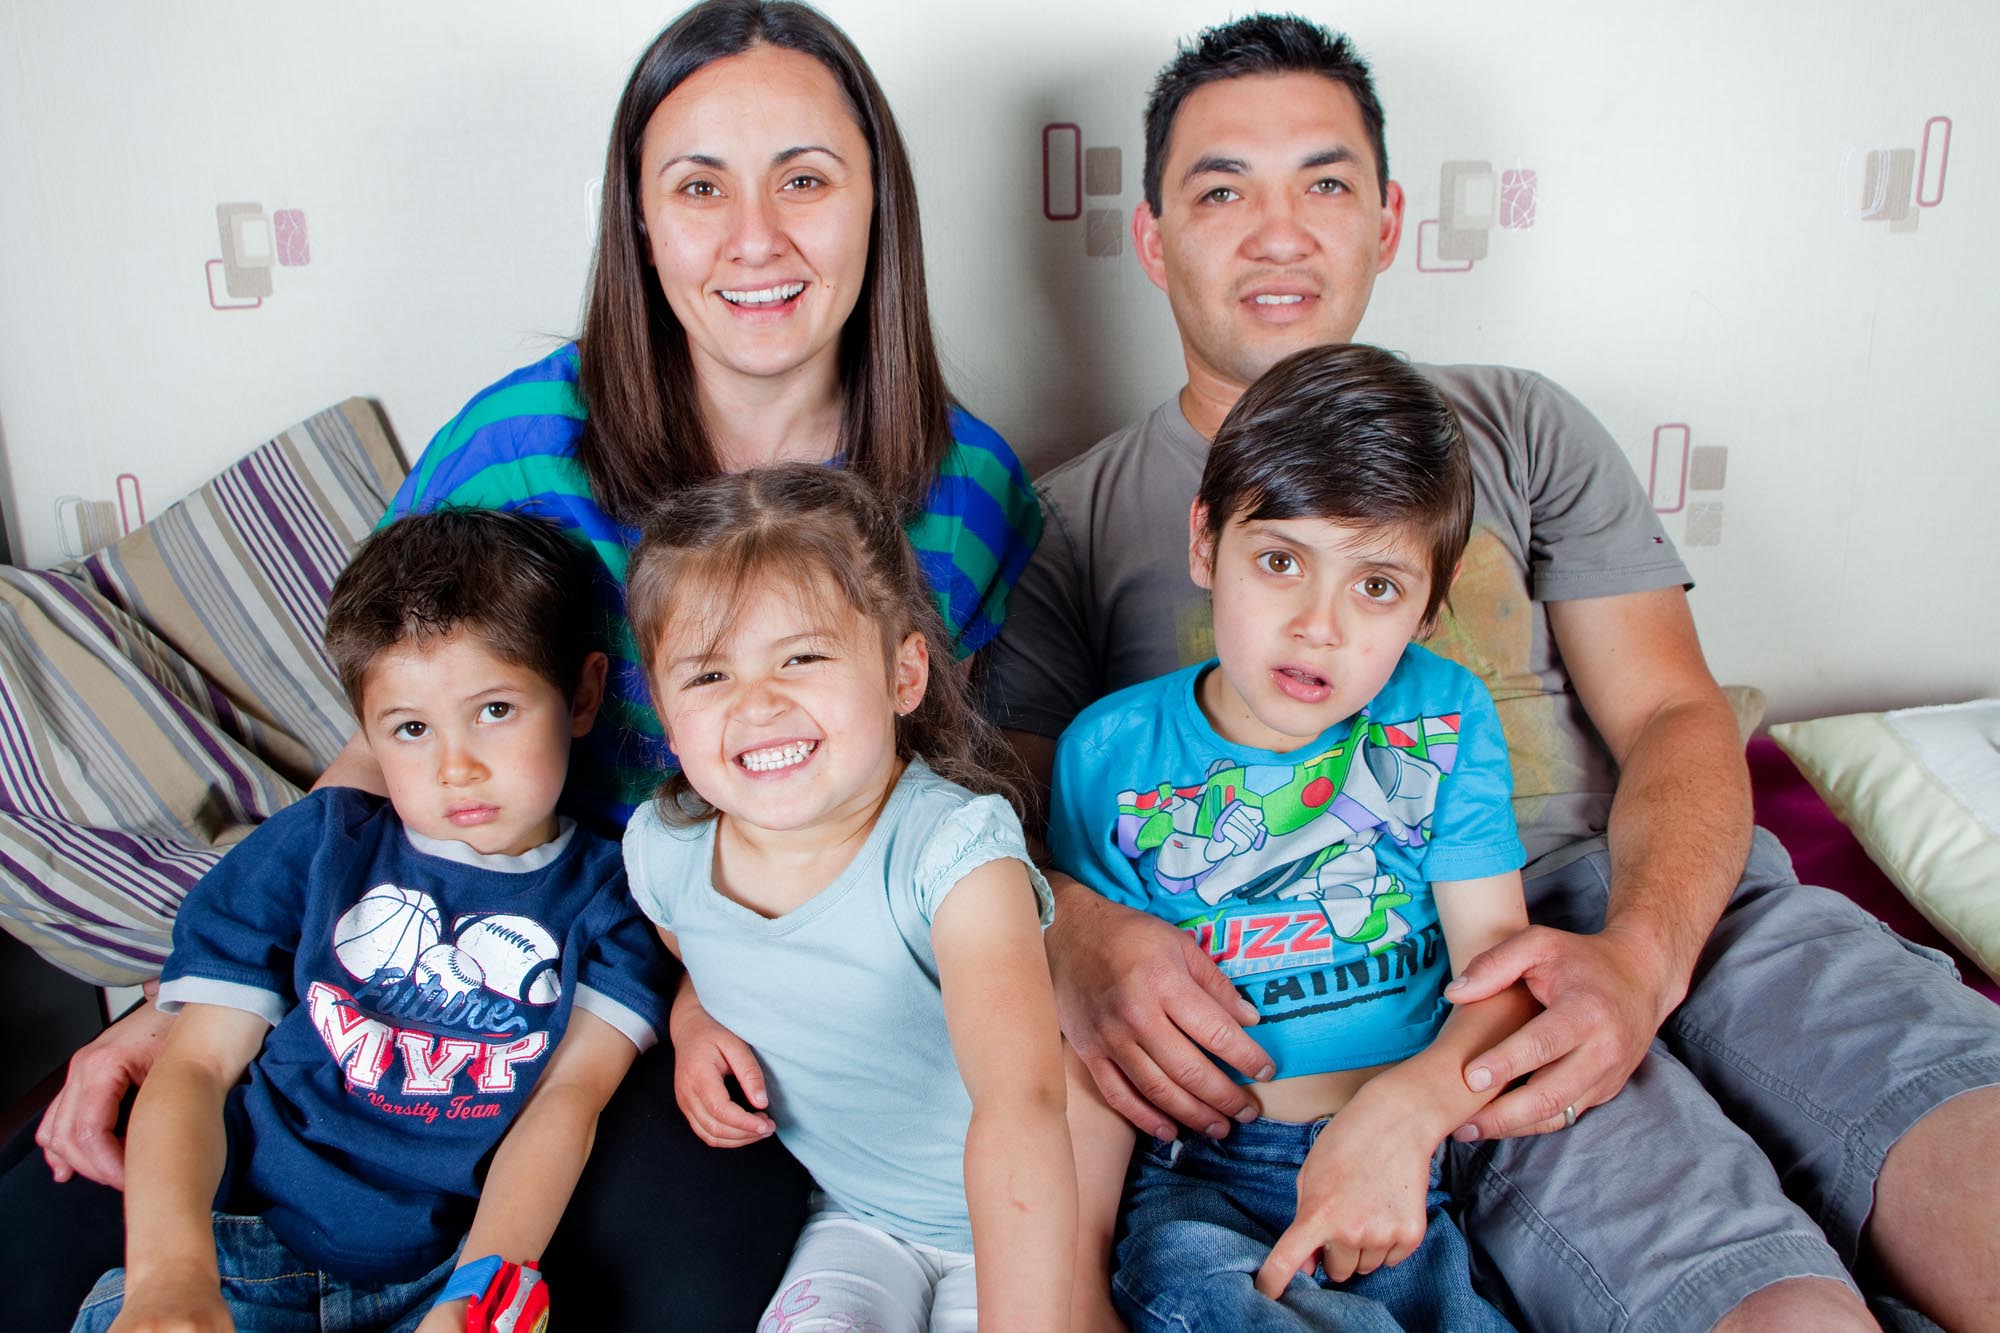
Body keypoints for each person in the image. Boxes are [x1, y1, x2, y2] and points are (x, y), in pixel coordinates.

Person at [18, 2, 1043, 1328]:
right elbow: (402, 722)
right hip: (476, 945)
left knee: (676, 1284)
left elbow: (987, 768)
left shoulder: (970, 488)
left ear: (877, 205)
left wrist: (1075, 940)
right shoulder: (518, 449)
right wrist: (206, 988)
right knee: (49, 1234)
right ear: (635, 223)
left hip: (730, 1016)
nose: (756, 238)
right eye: (698, 187)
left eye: (805, 178)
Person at [984, 13, 2000, 1332]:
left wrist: (1642, 953)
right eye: (1223, 189)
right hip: (1391, 960)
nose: (1280, 230)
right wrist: (1090, 936)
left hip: (1646, 882)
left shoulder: (1521, 421)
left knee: (1951, 1139)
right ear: (1152, 237)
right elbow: (1004, 823)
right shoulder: (1068, 519)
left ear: (1391, 219)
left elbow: (1678, 713)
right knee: (1761, 1293)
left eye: (1327, 183)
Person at [71, 508, 671, 1333]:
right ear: (369, 733)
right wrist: (171, 1277)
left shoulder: (617, 895)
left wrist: (479, 1291)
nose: (456, 764)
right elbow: (195, 1067)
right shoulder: (318, 848)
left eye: (495, 709)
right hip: (239, 1249)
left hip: (440, 1274)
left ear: (582, 694)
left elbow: (568, 1100)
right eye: (412, 729)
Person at [1054, 344, 1527, 1332]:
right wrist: (1072, 1270)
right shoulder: (1106, 752)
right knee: (1198, 1300)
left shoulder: (1440, 717)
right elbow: (1087, 1038)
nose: (1317, 625)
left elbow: (1500, 975)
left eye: (1376, 588)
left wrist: (1402, 1124)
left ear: (1427, 609)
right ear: (1204, 543)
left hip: (1404, 1151)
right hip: (1201, 1178)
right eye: (1278, 562)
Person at [621, 464, 1074, 1332]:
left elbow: (1024, 1104)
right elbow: (698, 955)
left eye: (803, 655)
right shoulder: (666, 852)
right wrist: (692, 1022)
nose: (759, 704)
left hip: (1018, 1222)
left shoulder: (952, 853)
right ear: (668, 718)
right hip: (858, 1219)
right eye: (709, 676)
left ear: (905, 675)